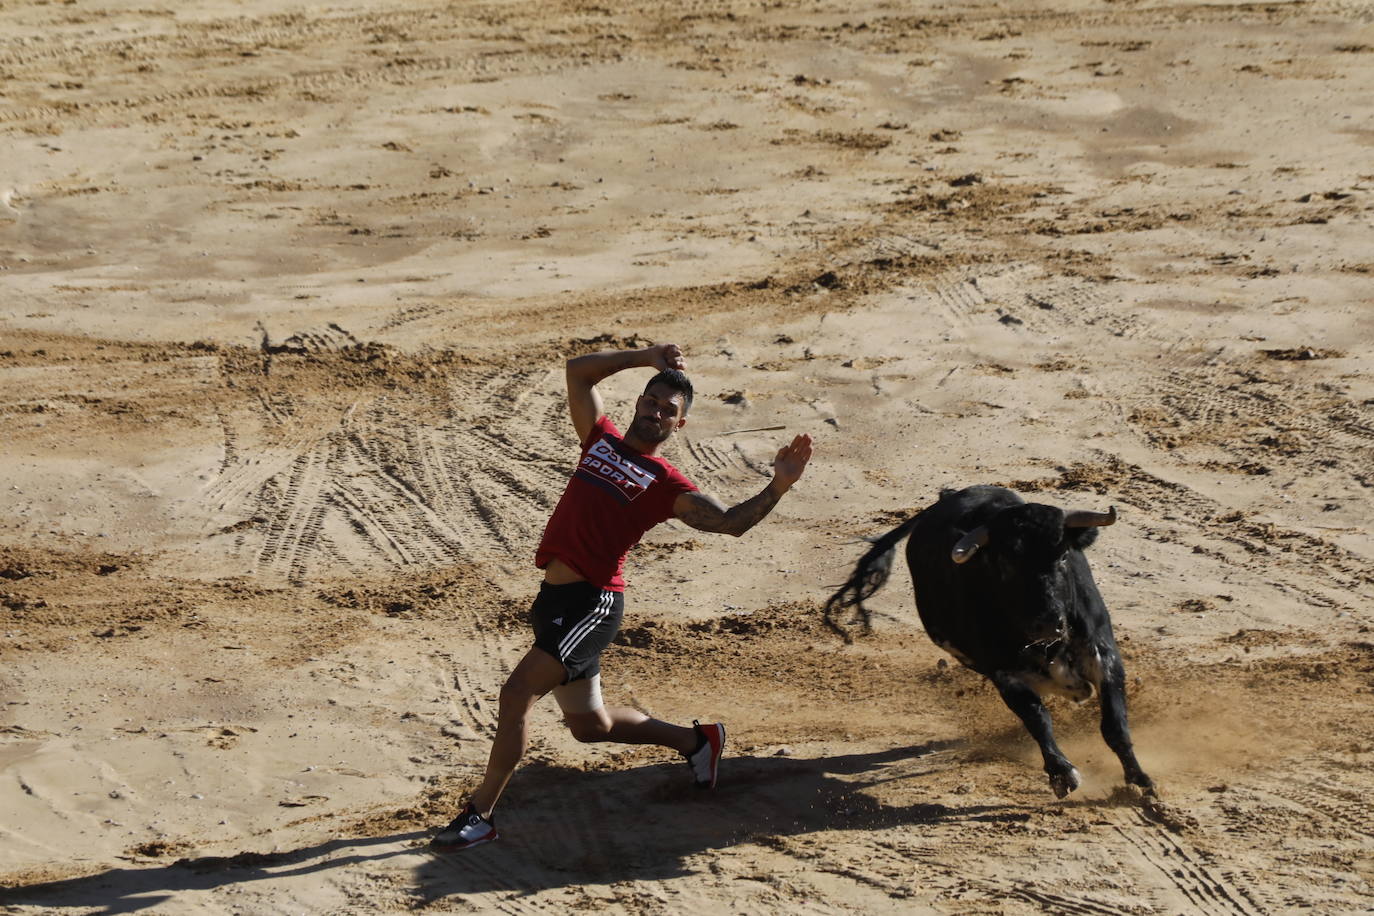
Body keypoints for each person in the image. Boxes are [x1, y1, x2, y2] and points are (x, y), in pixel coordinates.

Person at [431, 341, 813, 851]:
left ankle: (480, 814)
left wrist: (777, 488)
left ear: (679, 426)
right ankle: (697, 742)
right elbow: (578, 374)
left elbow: (728, 524)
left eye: (668, 411)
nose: (656, 412)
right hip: (554, 602)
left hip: (593, 606)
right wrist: (647, 357)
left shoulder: (665, 483)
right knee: (592, 727)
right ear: (639, 403)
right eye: (651, 402)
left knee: (516, 692)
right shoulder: (600, 439)